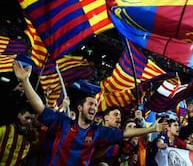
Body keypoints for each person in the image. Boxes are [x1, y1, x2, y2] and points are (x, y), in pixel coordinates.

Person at [13, 61, 167, 166]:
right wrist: (25, 81)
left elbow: (126, 132)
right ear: (80, 108)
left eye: (95, 104)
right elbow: (40, 107)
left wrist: (152, 129)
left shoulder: (98, 132)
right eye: (90, 104)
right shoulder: (64, 123)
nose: (94, 107)